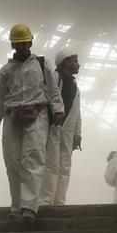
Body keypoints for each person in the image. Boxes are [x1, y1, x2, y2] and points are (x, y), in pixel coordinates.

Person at [0, 23, 64, 220]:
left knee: (33, 159)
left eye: (25, 43)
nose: (22, 47)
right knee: (13, 161)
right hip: (12, 117)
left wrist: (58, 109)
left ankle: (29, 208)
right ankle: (16, 206)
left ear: (31, 42)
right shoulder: (5, 71)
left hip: (38, 114)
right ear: (12, 46)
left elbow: (53, 90)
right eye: (18, 44)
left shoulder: (42, 64)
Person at [39, 48, 82, 206]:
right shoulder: (54, 78)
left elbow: (78, 113)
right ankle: (45, 201)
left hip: (68, 133)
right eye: (75, 60)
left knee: (65, 166)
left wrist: (78, 134)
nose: (78, 64)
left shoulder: (76, 87)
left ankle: (59, 201)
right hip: (52, 129)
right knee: (50, 165)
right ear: (65, 62)